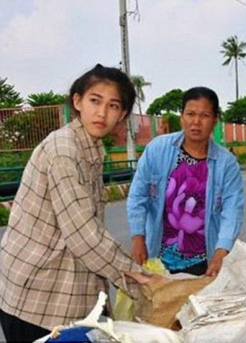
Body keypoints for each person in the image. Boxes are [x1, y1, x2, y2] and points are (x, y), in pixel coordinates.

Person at [0, 64, 151, 342]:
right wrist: (142, 279)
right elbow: (84, 235)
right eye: (95, 101)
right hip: (37, 298)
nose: (102, 112)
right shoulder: (63, 150)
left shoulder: (91, 150)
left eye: (113, 105)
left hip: (66, 294)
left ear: (123, 115)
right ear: (77, 101)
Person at [127, 87, 244, 277]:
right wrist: (137, 236)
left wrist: (221, 251)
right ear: (182, 116)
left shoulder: (226, 164)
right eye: (190, 114)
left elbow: (232, 210)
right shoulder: (157, 150)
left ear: (214, 120)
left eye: (204, 115)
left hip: (204, 263)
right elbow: (138, 196)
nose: (196, 122)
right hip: (158, 258)